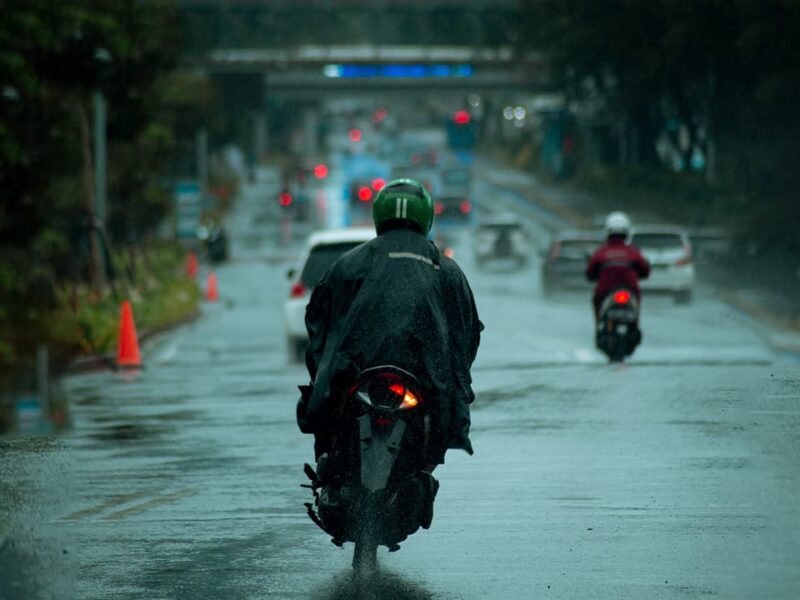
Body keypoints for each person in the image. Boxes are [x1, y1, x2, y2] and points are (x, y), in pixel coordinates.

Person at [297, 179, 483, 468]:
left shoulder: (350, 263)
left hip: (358, 375)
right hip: (421, 381)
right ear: (426, 216)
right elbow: (467, 335)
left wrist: (326, 371)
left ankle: (331, 461)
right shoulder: (446, 270)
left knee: (327, 420)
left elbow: (318, 325)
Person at [586, 211, 650, 320]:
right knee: (637, 299)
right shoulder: (633, 252)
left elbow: (590, 272)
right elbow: (645, 270)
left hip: (605, 288)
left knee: (596, 300)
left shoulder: (601, 252)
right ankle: (636, 322)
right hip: (630, 288)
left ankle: (599, 326)